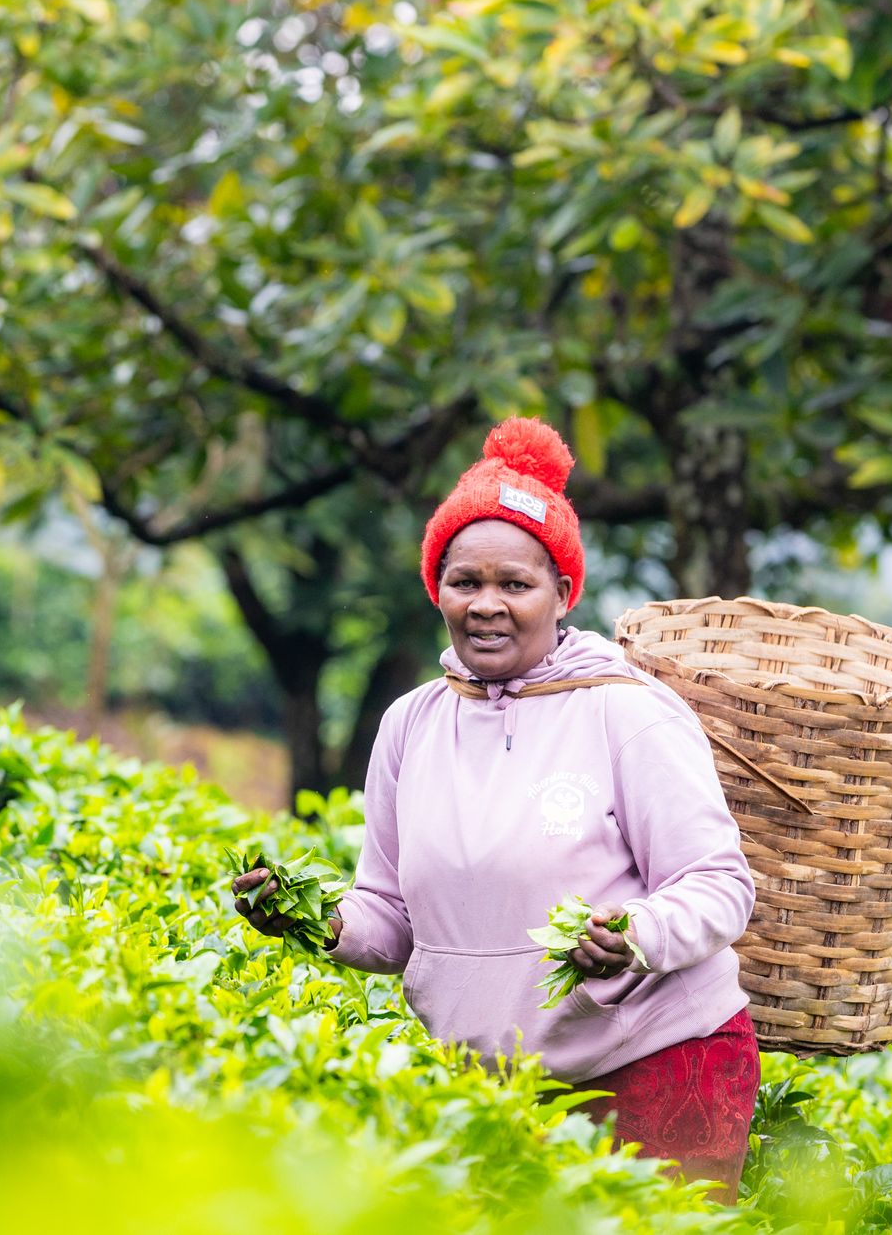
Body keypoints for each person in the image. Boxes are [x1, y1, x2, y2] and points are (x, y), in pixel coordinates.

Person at [232, 417, 758, 1200]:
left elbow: (721, 885)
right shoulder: (410, 724)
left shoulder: (627, 712)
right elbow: (391, 918)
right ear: (436, 588)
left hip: (657, 1062)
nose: (487, 605)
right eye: (465, 581)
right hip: (492, 1083)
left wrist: (636, 934)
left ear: (562, 593)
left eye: (515, 584)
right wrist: (315, 918)